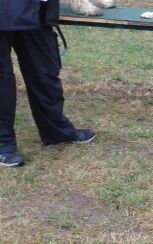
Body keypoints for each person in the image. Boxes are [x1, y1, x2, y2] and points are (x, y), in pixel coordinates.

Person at [0, 0, 95, 168]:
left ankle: (56, 132)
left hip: (35, 10)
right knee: (2, 80)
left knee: (44, 72)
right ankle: (3, 143)